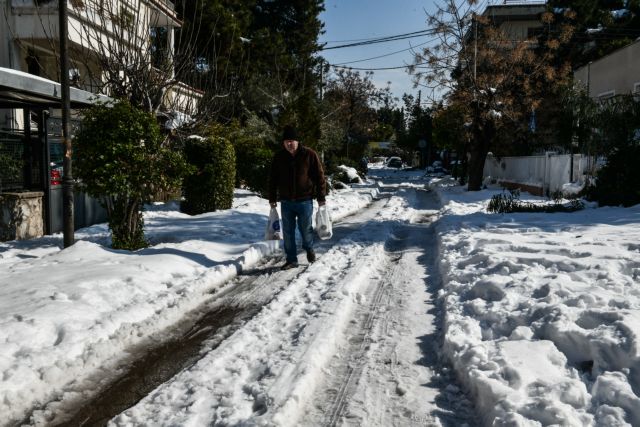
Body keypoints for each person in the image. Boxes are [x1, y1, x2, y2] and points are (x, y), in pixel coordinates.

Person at [269, 125, 326, 270]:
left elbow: (319, 177)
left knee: (305, 230)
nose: (289, 144)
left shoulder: (309, 154)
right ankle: (291, 259)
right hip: (286, 201)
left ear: (297, 141)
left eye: (291, 141)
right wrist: (272, 197)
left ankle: (309, 248)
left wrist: (321, 197)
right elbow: (273, 178)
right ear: (283, 143)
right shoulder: (279, 157)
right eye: (286, 141)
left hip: (305, 201)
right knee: (288, 233)